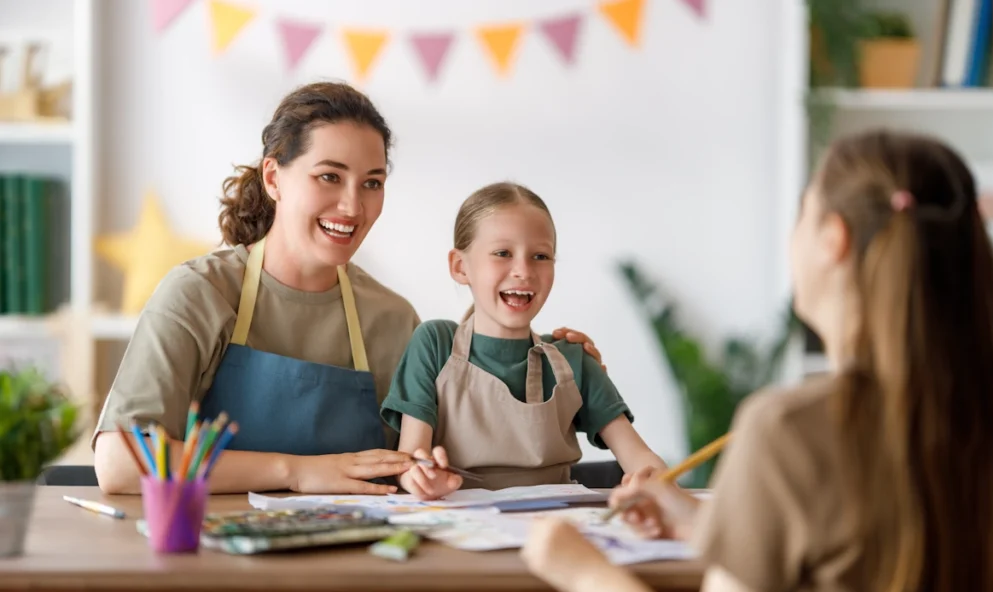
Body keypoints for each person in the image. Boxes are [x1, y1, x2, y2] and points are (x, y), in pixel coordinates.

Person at [520, 130, 993, 592]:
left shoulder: (792, 431)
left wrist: (580, 571)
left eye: (802, 213)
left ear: (833, 239)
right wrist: (704, 524)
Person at [92, 82, 607, 495]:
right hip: (220, 556)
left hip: (363, 562)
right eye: (329, 177)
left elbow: (444, 454)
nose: (352, 207)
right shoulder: (199, 295)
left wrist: (555, 373)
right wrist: (296, 472)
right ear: (274, 177)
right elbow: (119, 461)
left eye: (371, 183)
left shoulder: (392, 318)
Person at [380, 182, 667, 499]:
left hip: (554, 526)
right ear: (460, 267)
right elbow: (411, 459)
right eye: (503, 253)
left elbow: (640, 458)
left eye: (541, 256)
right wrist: (421, 478)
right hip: (460, 525)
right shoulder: (434, 343)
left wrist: (651, 476)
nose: (523, 271)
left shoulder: (573, 359)